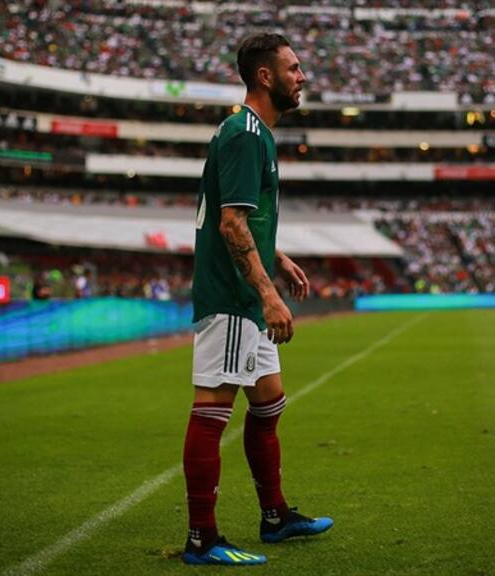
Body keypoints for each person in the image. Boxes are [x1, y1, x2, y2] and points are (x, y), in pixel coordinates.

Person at [182, 33, 333, 566]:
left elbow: (243, 217)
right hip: (232, 299)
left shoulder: (255, 134)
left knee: (268, 403)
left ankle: (275, 517)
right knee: (212, 411)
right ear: (264, 76)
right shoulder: (247, 134)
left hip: (247, 293)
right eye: (293, 68)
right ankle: (202, 538)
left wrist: (276, 256)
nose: (302, 76)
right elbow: (229, 222)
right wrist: (268, 294)